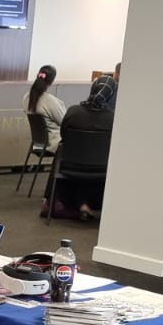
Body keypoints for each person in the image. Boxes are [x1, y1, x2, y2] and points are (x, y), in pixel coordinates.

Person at [56, 76, 118, 220]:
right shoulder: (114, 119)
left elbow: (64, 136)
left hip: (70, 167)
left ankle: (78, 203)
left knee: (62, 153)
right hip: (102, 170)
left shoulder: (73, 112)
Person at [22, 64, 66, 151]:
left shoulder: (26, 97)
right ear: (52, 81)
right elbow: (64, 122)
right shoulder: (50, 101)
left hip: (37, 144)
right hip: (54, 144)